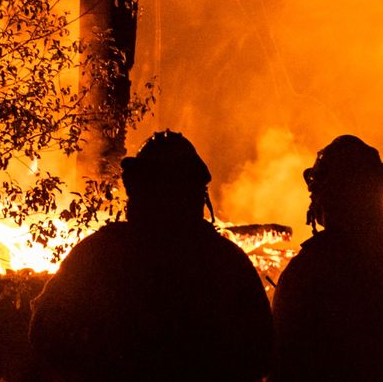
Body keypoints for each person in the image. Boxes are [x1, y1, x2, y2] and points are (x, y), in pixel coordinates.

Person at [31, 131, 274, 382]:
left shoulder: (98, 254)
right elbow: (261, 353)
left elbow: (45, 332)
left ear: (138, 189)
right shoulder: (226, 262)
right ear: (196, 195)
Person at [271, 135, 383, 381]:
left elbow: (283, 363)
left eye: (319, 186)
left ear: (337, 193)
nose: (313, 196)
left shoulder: (311, 271)